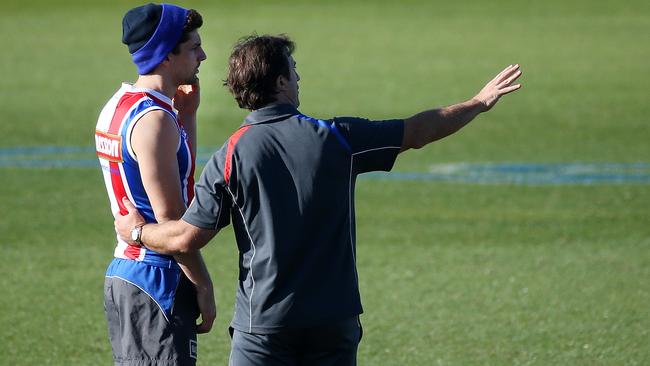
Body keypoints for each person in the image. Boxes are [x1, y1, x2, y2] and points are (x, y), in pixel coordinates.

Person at [114, 34, 522, 365]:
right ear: (279, 82)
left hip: (264, 330)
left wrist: (136, 230)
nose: (298, 78)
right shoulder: (336, 138)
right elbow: (417, 130)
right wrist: (478, 104)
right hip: (334, 323)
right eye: (294, 71)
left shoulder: (231, 156)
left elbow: (186, 238)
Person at [94, 3, 215, 365]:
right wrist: (203, 285)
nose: (203, 55)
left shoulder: (120, 105)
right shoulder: (154, 120)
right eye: (194, 47)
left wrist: (188, 117)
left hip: (129, 274)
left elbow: (176, 176)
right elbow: (173, 223)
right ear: (165, 55)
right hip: (157, 279)